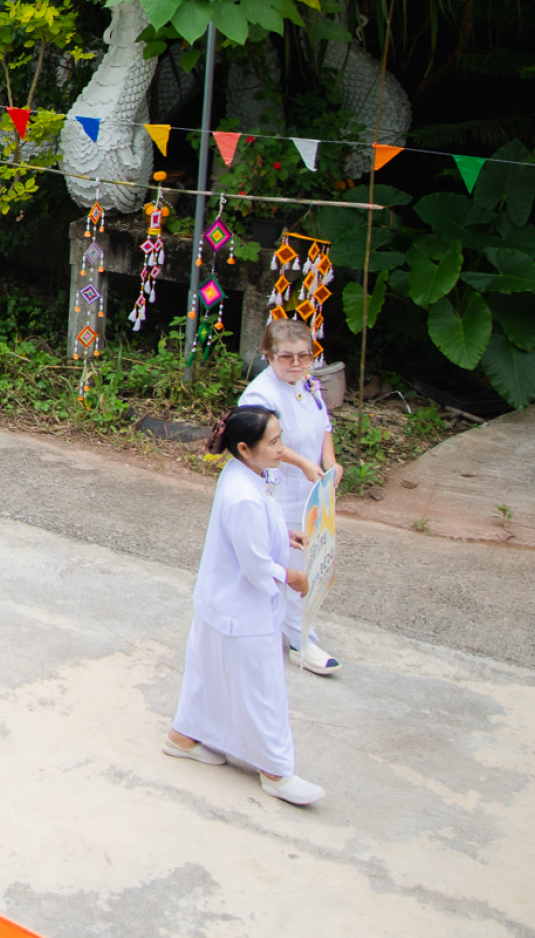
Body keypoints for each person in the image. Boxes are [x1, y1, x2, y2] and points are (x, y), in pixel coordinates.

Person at [165, 405, 328, 806]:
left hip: (219, 601)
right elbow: (256, 565)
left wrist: (283, 535)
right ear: (244, 447)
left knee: (207, 674)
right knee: (263, 690)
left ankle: (183, 737)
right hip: (240, 608)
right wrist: (295, 577)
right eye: (273, 442)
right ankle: (276, 771)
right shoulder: (243, 496)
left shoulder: (244, 473)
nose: (281, 449)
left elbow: (254, 535)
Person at [241, 319, 343, 675]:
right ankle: (302, 641)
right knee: (288, 569)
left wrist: (329, 463)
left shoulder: (308, 384)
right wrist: (302, 463)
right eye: (287, 357)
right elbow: (263, 445)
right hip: (277, 493)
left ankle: (292, 630)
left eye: (305, 356)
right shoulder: (260, 395)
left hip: (312, 495)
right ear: (268, 356)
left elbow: (323, 424)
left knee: (312, 563)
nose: (297, 364)